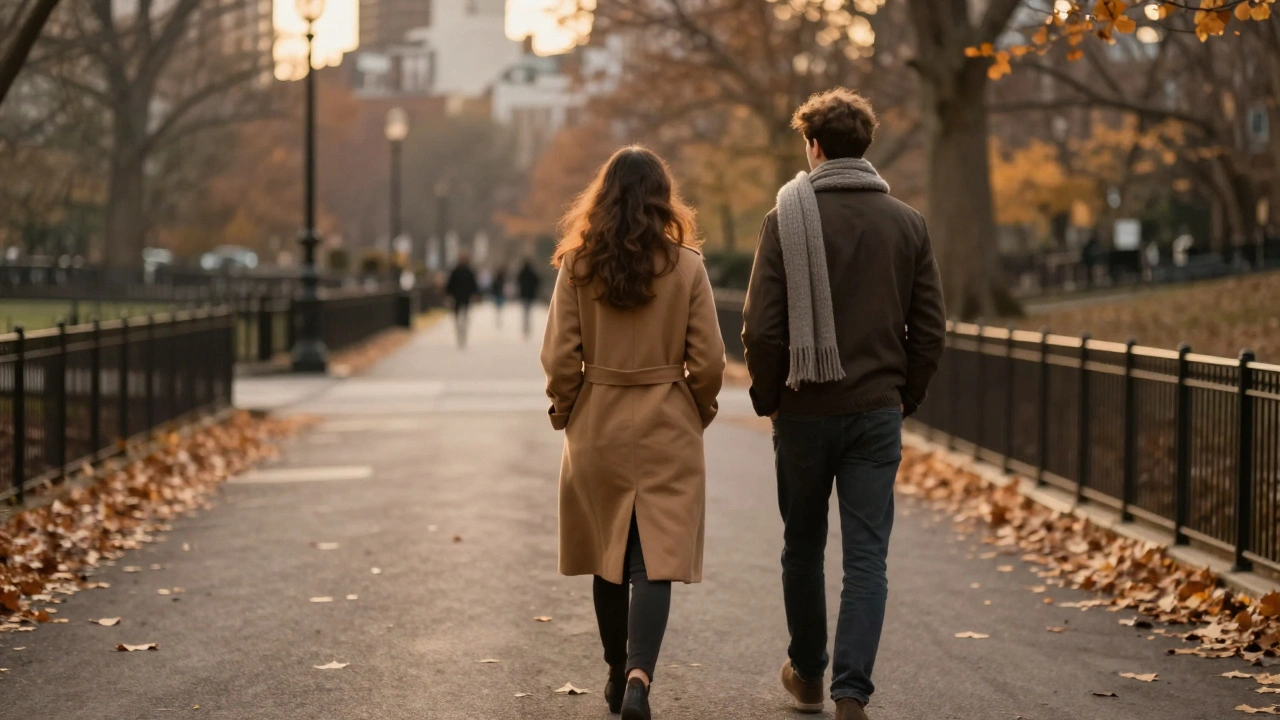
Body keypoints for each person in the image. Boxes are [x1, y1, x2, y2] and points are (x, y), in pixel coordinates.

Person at [742, 88, 946, 720]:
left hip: (803, 412)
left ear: (816, 146)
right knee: (866, 556)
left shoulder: (787, 217)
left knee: (801, 546)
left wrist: (770, 396)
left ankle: (806, 673)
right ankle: (851, 691)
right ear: (865, 146)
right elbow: (931, 328)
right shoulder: (907, 223)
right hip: (876, 412)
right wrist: (902, 396)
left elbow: (761, 327)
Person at [541, 146, 725, 720]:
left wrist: (564, 410)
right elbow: (712, 360)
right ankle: (642, 674)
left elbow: (559, 357)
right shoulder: (687, 266)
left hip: (598, 418)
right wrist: (698, 407)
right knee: (654, 557)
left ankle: (617, 670)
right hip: (667, 417)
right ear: (662, 198)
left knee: (607, 553)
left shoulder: (577, 266)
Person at [445, 251, 479, 348]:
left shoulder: (469, 271)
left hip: (466, 296)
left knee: (464, 315)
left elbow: (473, 284)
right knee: (457, 315)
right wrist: (449, 295)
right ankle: (459, 330)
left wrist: (474, 294)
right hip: (457, 297)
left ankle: (463, 330)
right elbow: (450, 284)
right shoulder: (455, 271)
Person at [517, 258, 542, 339]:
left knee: (525, 312)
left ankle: (525, 327)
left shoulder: (522, 272)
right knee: (529, 312)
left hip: (524, 295)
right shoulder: (533, 273)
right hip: (530, 295)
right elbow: (538, 282)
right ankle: (528, 327)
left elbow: (518, 281)